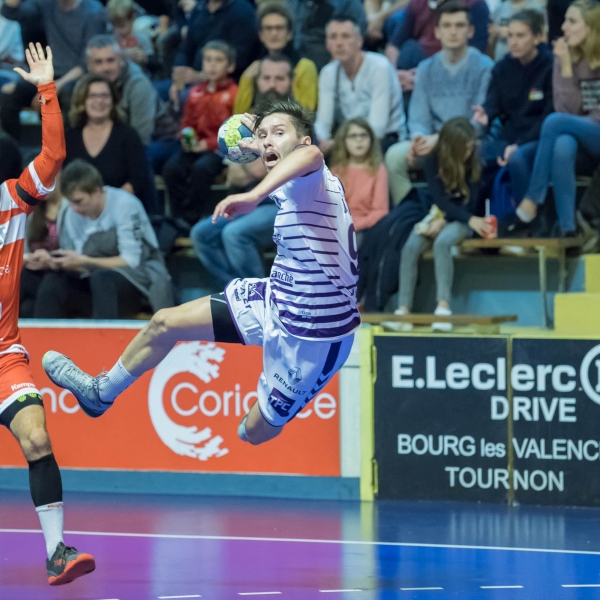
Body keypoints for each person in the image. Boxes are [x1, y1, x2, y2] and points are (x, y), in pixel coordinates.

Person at [42, 99, 360, 449]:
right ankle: (99, 393)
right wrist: (258, 141)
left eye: (280, 133)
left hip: (315, 335)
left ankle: (276, 400)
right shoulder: (286, 176)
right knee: (163, 323)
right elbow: (281, 154)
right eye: (265, 134)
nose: (269, 140)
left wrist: (253, 195)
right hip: (276, 298)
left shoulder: (314, 177)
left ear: (303, 140)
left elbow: (310, 156)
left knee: (252, 432)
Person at [0, 42, 95, 586]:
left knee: (37, 438)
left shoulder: (11, 202)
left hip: (4, 357)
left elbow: (54, 159)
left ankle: (57, 552)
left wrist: (47, 90)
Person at [190, 55, 300, 285]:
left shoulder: (297, 122)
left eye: (279, 78)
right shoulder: (248, 122)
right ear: (258, 82)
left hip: (287, 206)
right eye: (266, 78)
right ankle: (237, 294)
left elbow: (260, 172)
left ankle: (260, 300)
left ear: (290, 82)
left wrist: (253, 163)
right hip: (252, 202)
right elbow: (235, 175)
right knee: (201, 233)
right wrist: (258, 163)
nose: (272, 84)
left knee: (235, 234)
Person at [32, 160, 173, 319]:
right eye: (70, 202)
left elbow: (131, 261)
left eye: (79, 201)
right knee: (53, 281)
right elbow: (78, 259)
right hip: (92, 279)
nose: (74, 208)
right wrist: (55, 261)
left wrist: (86, 261)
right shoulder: (71, 213)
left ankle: (103, 339)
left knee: (103, 279)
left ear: (97, 192)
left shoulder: (125, 205)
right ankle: (42, 339)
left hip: (136, 280)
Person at [505, 0, 600, 237]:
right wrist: (567, 67)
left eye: (572, 21)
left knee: (554, 122)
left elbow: (566, 118)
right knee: (562, 144)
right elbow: (567, 110)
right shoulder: (562, 56)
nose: (564, 27)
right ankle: (568, 228)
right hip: (581, 134)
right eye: (565, 20)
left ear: (591, 26)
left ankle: (531, 200)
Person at [385, 1, 493, 204]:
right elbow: (418, 117)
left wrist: (442, 139)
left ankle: (463, 211)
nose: (453, 32)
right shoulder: (426, 68)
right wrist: (418, 138)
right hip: (432, 141)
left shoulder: (485, 67)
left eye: (459, 26)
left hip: (468, 142)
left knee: (476, 151)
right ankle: (412, 212)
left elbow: (479, 122)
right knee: (394, 156)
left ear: (470, 31)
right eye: (447, 26)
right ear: (437, 32)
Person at [391, 117, 492, 331]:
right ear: (450, 147)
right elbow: (439, 198)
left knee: (443, 243)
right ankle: (403, 310)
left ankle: (443, 307)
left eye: (470, 148)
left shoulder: (475, 161)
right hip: (440, 213)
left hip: (467, 219)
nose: (468, 152)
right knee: (410, 246)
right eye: (463, 149)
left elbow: (471, 204)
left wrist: (448, 220)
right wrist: (440, 219)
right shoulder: (432, 161)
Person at [474, 10, 553, 207]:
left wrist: (519, 144)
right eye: (510, 35)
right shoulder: (502, 68)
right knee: (471, 154)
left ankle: (526, 221)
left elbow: (549, 115)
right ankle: (474, 220)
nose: (513, 42)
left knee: (518, 158)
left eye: (520, 35)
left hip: (539, 138)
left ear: (537, 38)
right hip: (508, 136)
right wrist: (486, 114)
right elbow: (492, 103)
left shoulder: (550, 66)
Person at [0, 0, 107, 140]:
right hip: (51, 74)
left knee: (68, 94)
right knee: (9, 94)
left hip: (79, 76)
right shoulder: (48, 4)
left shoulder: (93, 11)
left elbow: (88, 62)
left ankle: (70, 153)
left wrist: (53, 87)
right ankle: (14, 154)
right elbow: (11, 12)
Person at [163, 41, 237, 230]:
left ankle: (192, 218)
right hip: (195, 146)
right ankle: (177, 217)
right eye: (208, 60)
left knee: (201, 170)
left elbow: (233, 129)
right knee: (171, 168)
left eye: (218, 60)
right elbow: (187, 122)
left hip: (219, 149)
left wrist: (209, 144)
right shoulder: (195, 92)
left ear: (230, 66)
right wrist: (186, 138)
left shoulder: (234, 93)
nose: (212, 65)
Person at [63, 72, 158, 216]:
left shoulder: (128, 135)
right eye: (93, 96)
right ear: (82, 101)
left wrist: (106, 208)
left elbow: (137, 179)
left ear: (113, 101)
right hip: (78, 212)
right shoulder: (70, 137)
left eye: (105, 96)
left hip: (120, 211)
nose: (99, 101)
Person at [315, 16, 406, 155]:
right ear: (327, 43)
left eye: (345, 36)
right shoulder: (328, 72)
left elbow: (378, 127)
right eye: (333, 37)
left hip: (385, 138)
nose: (339, 43)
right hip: (349, 138)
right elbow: (323, 122)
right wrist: (320, 142)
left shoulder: (379, 67)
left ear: (359, 41)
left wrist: (335, 143)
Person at [384, 0, 490, 93]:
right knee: (409, 50)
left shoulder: (475, 4)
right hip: (420, 68)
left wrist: (425, 79)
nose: (453, 32)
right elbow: (394, 45)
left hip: (458, 70)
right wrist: (395, 74)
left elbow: (475, 53)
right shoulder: (417, 3)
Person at [234, 2, 318, 114]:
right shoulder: (253, 68)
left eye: (279, 28)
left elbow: (307, 114)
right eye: (268, 28)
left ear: (289, 33)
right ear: (261, 35)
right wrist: (247, 78)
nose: (274, 33)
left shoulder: (305, 67)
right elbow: (238, 115)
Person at [85, 34, 158, 146]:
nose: (106, 68)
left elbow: (141, 138)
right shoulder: (86, 85)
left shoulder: (138, 85)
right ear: (89, 66)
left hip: (156, 139)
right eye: (98, 62)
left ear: (121, 60)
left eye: (111, 60)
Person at [329, 117, 389, 245]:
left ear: (371, 140)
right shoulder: (336, 171)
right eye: (353, 136)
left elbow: (380, 211)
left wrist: (354, 226)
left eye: (364, 135)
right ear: (344, 141)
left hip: (366, 228)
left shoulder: (378, 170)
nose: (359, 140)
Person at [20, 177, 69, 318]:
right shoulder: (31, 212)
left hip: (62, 274)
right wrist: (27, 258)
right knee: (26, 305)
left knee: (46, 287)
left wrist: (51, 260)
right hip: (34, 273)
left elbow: (76, 250)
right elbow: (22, 249)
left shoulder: (73, 207)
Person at [288, 0, 367, 70]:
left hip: (329, 54)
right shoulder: (295, 2)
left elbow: (359, 31)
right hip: (298, 55)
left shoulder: (348, 3)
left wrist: (339, 55)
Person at [106, 0, 155, 69]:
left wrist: (144, 58)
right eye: (115, 26)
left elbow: (154, 63)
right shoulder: (111, 39)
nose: (119, 30)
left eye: (122, 26)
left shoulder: (141, 37)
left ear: (133, 18)